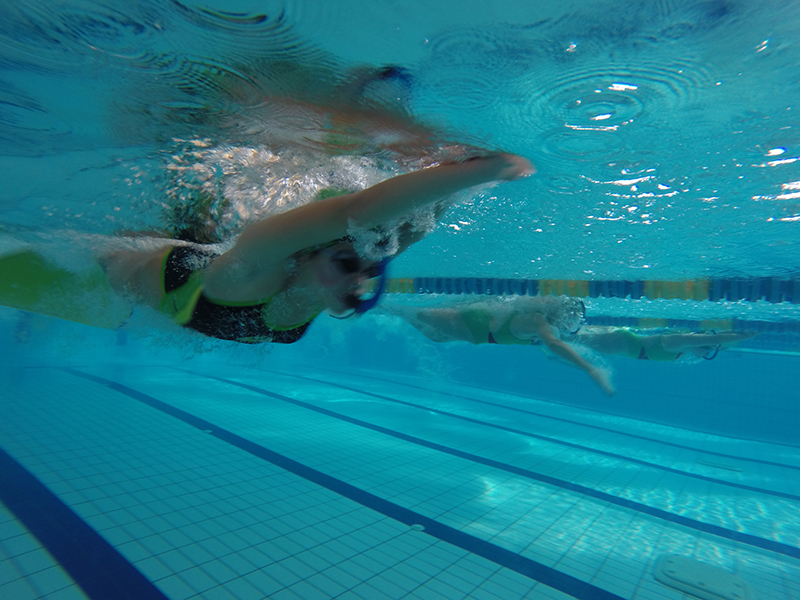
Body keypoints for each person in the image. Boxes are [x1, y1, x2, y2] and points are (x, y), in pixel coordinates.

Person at [93, 153, 534, 343]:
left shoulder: (324, 280)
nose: (362, 277)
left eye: (365, 269)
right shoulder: (253, 267)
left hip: (205, 279)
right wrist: (485, 170)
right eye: (351, 264)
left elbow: (403, 221)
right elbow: (367, 210)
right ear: (302, 252)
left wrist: (465, 174)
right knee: (113, 261)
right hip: (151, 273)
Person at [382, 295, 616, 396]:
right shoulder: (540, 322)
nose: (566, 325)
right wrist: (591, 369)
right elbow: (554, 344)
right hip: (472, 326)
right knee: (413, 313)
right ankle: (378, 302)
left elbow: (557, 348)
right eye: (568, 320)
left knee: (433, 333)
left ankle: (382, 305)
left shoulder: (538, 317)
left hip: (476, 325)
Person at [569, 327, 757, 361]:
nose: (708, 351)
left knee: (571, 335)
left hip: (620, 343)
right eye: (708, 347)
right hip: (618, 344)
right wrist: (749, 333)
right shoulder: (680, 341)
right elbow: (715, 339)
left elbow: (716, 339)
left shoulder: (683, 347)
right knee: (567, 336)